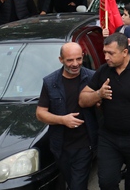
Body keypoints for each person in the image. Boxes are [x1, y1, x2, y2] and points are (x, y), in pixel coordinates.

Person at [79, 33, 130, 190]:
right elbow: (82, 99)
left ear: (125, 52)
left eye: (111, 53)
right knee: (106, 182)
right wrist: (98, 94)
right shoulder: (103, 72)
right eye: (104, 52)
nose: (106, 57)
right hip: (109, 138)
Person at [36, 43, 98, 190]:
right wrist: (62, 120)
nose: (75, 64)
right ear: (61, 59)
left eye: (78, 59)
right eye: (70, 60)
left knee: (77, 186)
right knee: (70, 183)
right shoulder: (50, 82)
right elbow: (40, 113)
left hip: (85, 144)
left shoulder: (92, 77)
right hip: (61, 146)